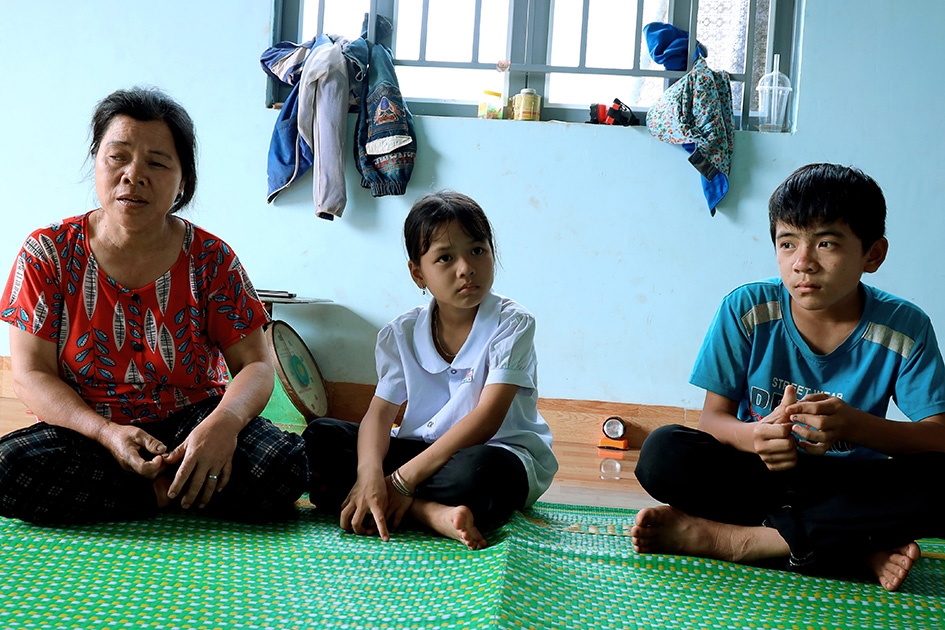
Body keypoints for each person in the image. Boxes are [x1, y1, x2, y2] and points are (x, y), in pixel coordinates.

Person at [0, 87, 308, 524]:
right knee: (7, 468)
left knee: (283, 466)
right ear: (96, 162)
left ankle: (152, 487)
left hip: (193, 422)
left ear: (183, 181)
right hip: (91, 428)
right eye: (118, 157)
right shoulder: (47, 253)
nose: (133, 175)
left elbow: (256, 366)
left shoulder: (212, 259)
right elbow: (31, 375)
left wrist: (222, 426)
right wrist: (106, 433)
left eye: (157, 163)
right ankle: (171, 491)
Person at [631, 163, 945, 592]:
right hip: (762, 476)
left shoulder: (904, 327)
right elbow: (712, 420)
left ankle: (737, 541)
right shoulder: (747, 309)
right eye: (787, 243)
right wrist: (754, 436)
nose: (803, 263)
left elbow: (937, 437)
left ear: (872, 254)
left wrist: (855, 426)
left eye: (826, 243)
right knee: (662, 451)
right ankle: (850, 548)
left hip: (851, 485)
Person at [303, 191, 557, 550]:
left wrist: (401, 481)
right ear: (418, 273)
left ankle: (392, 499)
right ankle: (428, 513)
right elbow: (380, 413)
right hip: (420, 451)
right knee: (321, 438)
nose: (466, 268)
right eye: (445, 258)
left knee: (481, 474)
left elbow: (487, 419)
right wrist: (369, 474)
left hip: (491, 452)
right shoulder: (400, 333)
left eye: (477, 250)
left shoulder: (513, 324)